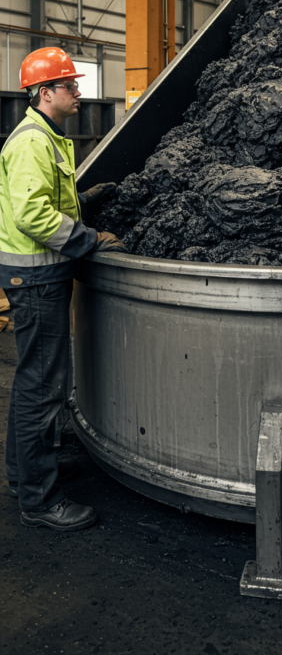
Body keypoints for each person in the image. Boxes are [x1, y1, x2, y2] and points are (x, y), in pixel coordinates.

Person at [0, 47, 126, 532]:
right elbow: (33, 215)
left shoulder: (46, 135)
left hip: (37, 277)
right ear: (44, 92)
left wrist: (86, 200)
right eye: (70, 85)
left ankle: (24, 474)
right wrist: (89, 240)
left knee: (35, 382)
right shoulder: (32, 140)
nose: (79, 91)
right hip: (35, 279)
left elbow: (44, 200)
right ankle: (40, 499)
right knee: (43, 388)